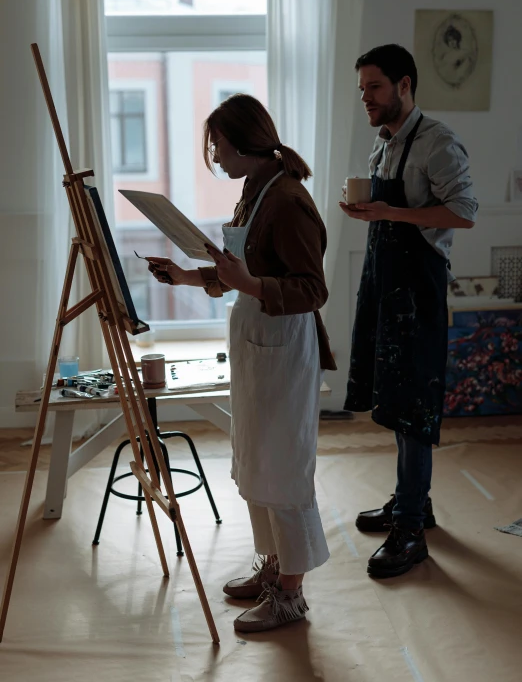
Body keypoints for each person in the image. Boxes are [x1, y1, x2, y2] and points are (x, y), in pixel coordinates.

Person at [147, 94, 336, 632]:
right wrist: (187, 276)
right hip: (257, 343)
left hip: (282, 346)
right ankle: (274, 569)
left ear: (242, 141)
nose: (214, 155)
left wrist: (247, 284)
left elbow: (312, 288)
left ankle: (290, 596)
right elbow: (240, 266)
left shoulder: (289, 200)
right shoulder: (256, 190)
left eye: (217, 144)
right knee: (256, 462)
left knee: (284, 468)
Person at [340, 44, 478, 578]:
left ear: (404, 85)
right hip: (385, 288)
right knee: (398, 402)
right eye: (362, 91)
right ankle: (409, 502)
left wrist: (390, 210)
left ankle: (412, 530)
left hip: (418, 293)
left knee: (415, 410)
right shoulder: (385, 144)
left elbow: (464, 213)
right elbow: (393, 213)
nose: (366, 99)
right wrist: (366, 210)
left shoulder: (438, 142)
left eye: (374, 88)